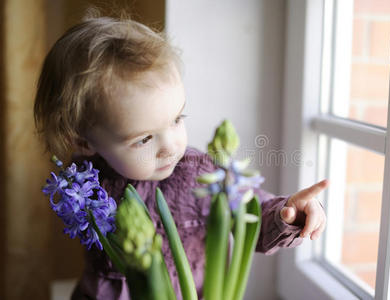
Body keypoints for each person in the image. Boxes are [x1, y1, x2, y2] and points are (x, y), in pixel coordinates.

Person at [33, 12, 328, 300]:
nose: (171, 146)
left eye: (177, 119)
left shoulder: (197, 170)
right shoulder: (82, 187)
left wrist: (287, 214)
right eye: (144, 138)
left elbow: (250, 212)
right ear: (83, 142)